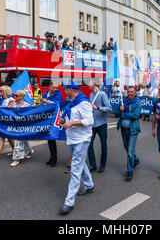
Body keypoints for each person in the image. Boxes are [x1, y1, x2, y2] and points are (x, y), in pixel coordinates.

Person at [59, 82, 94, 216]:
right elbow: (72, 116)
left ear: (72, 90)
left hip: (82, 139)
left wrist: (71, 123)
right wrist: (65, 121)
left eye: (66, 90)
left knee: (75, 167)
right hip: (72, 138)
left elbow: (89, 121)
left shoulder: (84, 103)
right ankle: (89, 185)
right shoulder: (72, 101)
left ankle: (69, 202)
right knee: (80, 163)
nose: (65, 92)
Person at [116, 86, 142, 182]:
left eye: (132, 92)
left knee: (130, 151)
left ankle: (129, 171)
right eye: (128, 91)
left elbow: (136, 115)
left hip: (133, 130)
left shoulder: (137, 102)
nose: (130, 93)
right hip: (123, 129)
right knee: (127, 149)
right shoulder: (123, 101)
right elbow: (116, 114)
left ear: (135, 93)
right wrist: (120, 110)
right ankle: (135, 160)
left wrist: (124, 113)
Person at [88, 81, 113, 173]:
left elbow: (109, 108)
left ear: (95, 84)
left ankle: (102, 165)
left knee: (103, 145)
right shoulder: (91, 95)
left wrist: (97, 108)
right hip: (92, 124)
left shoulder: (102, 94)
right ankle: (93, 164)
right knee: (89, 144)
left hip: (102, 124)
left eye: (90, 83)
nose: (88, 85)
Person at [41, 82, 64, 167]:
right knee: (49, 139)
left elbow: (58, 104)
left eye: (56, 88)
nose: (55, 89)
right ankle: (52, 157)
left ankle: (54, 159)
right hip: (47, 118)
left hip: (55, 119)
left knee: (52, 138)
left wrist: (46, 101)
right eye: (54, 87)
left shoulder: (59, 93)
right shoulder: (45, 93)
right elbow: (41, 102)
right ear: (49, 87)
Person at [10, 90, 34, 167]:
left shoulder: (26, 105)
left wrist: (33, 108)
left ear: (21, 97)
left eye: (16, 96)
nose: (15, 97)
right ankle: (29, 151)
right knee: (24, 141)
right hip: (15, 126)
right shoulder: (13, 104)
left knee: (18, 142)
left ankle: (16, 159)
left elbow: (31, 115)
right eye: (15, 95)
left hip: (23, 127)